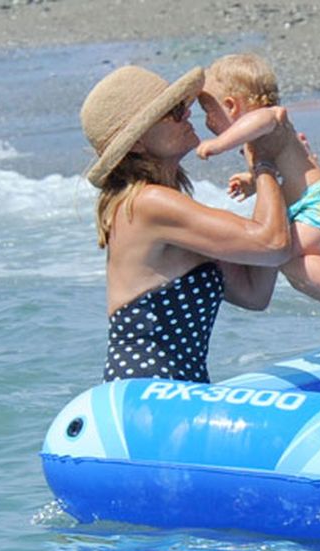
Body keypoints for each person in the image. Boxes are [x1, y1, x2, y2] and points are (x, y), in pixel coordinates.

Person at [80, 64, 291, 384]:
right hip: (148, 392)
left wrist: (267, 171)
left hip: (178, 390)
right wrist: (264, 163)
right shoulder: (148, 204)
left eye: (182, 106)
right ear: (137, 143)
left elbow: (254, 292)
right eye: (173, 112)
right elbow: (273, 244)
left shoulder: (165, 206)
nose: (187, 114)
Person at [195, 53, 320, 348]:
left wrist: (218, 144)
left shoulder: (271, 120)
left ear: (231, 105)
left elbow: (264, 117)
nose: (207, 122)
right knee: (292, 267)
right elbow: (283, 171)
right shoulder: (264, 140)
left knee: (279, 253)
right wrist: (253, 181)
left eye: (208, 111)